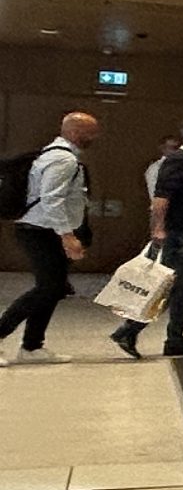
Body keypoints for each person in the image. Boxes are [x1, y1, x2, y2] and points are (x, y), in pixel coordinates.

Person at [1, 112, 100, 367]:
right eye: (90, 132)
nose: (94, 137)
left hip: (46, 230)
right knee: (49, 288)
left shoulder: (58, 155)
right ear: (75, 132)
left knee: (53, 289)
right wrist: (67, 236)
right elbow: (51, 199)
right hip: (41, 231)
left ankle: (32, 346)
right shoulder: (62, 159)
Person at [112, 117, 183, 361]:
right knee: (174, 286)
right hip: (179, 234)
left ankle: (171, 337)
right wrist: (158, 228)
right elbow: (161, 198)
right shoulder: (178, 161)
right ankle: (132, 330)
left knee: (181, 288)